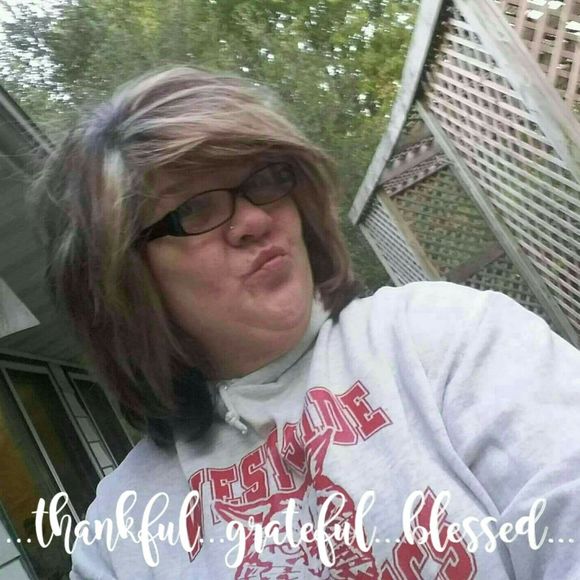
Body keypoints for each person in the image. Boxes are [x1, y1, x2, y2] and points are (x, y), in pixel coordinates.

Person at [33, 66, 580, 579]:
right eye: (195, 209)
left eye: (266, 180)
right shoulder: (120, 534)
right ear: (121, 280)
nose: (254, 219)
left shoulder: (442, 335)